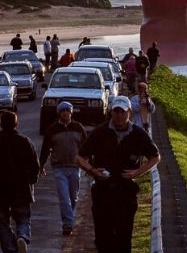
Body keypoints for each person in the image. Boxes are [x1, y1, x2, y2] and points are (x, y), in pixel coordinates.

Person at [76, 96, 160, 252]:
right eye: (116, 111)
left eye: (123, 112)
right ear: (111, 112)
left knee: (124, 237)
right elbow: (80, 157)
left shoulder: (138, 134)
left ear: (129, 112)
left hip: (126, 191)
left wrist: (138, 172)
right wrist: (92, 170)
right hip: (103, 191)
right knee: (103, 237)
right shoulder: (100, 132)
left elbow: (155, 157)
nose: (119, 115)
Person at [39, 102, 87, 236]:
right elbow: (45, 149)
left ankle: (69, 218)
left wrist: (89, 164)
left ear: (71, 113)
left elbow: (86, 147)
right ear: (59, 113)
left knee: (73, 197)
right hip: (59, 168)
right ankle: (68, 224)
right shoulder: (52, 129)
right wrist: (41, 165)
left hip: (75, 167)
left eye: (67, 111)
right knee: (64, 197)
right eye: (63, 111)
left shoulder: (78, 128)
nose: (65, 113)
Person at [0, 111, 39, 253]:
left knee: (2, 222)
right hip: (21, 189)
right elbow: (35, 166)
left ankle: (10, 247)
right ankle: (22, 236)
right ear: (16, 124)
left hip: (1, 191)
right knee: (23, 218)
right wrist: (31, 180)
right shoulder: (25, 141)